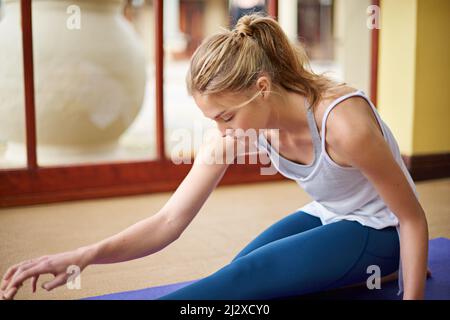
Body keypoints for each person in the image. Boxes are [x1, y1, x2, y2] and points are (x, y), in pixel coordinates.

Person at [0, 13, 430, 300]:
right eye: (213, 120)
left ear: (262, 87)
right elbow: (169, 222)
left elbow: (412, 217)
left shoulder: (343, 122)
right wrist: (84, 255)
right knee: (239, 270)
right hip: (330, 213)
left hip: (384, 227)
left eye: (226, 117)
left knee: (246, 278)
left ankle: (383, 268)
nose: (221, 133)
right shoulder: (240, 126)